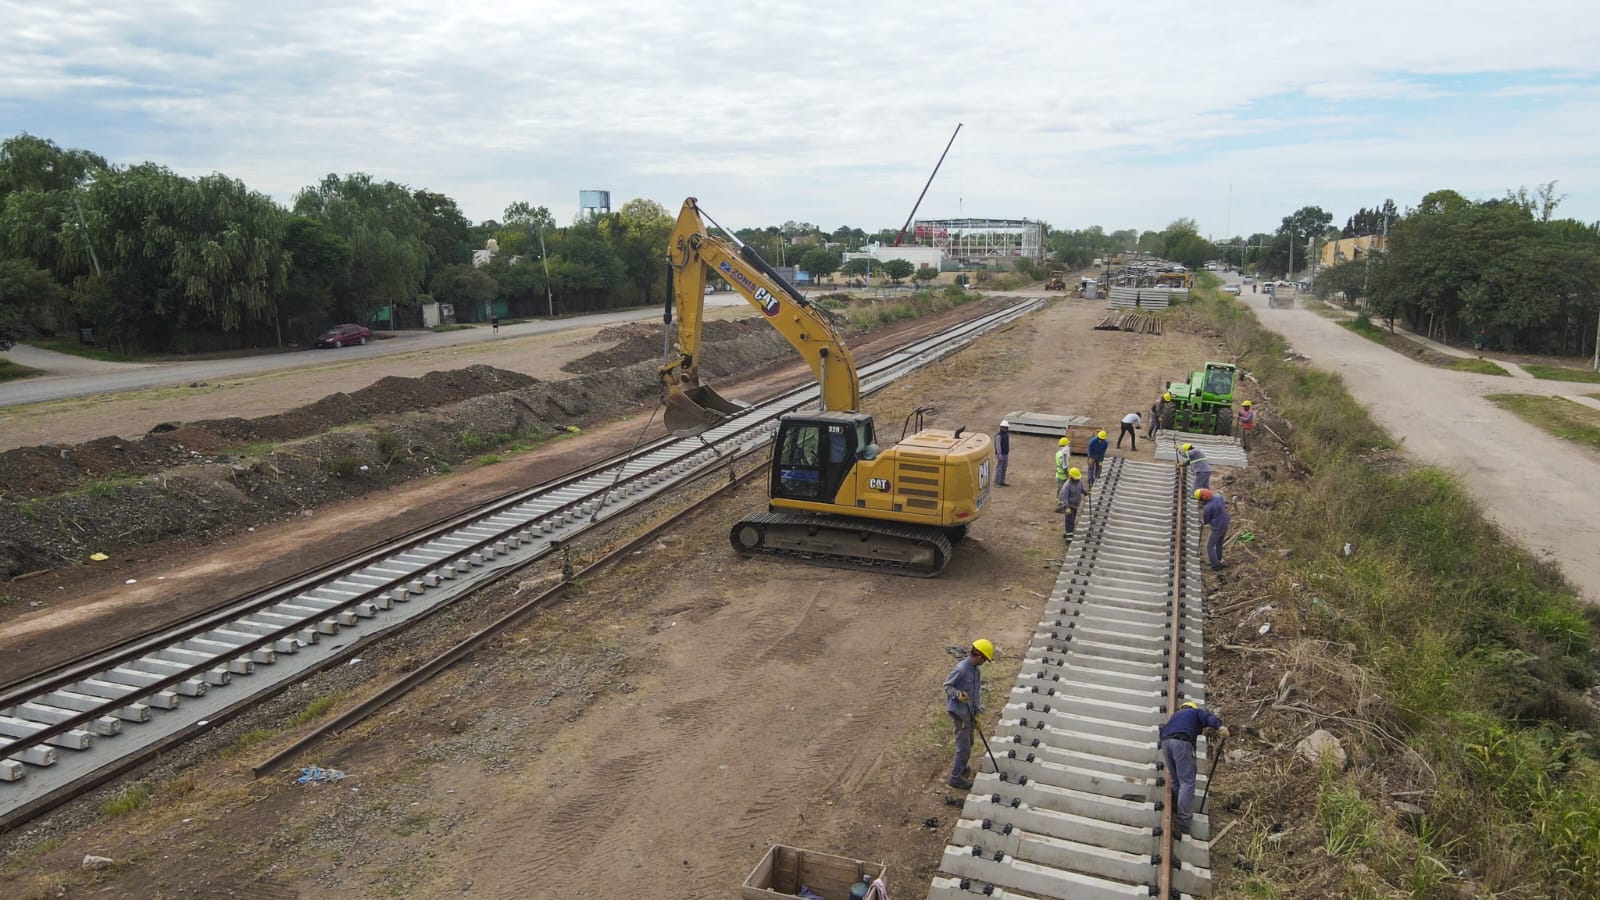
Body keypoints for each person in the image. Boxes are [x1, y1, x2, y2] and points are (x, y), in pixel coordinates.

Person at [1159, 700, 1228, 836]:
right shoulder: (1196, 712)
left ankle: (1176, 805)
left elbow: (1162, 730)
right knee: (1187, 782)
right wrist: (1220, 727)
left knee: (1177, 781)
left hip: (1166, 743)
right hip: (1182, 742)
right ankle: (1183, 822)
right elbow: (1208, 718)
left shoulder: (1175, 716)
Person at [943, 639, 995, 790]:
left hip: (970, 712)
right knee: (964, 746)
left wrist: (979, 711)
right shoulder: (961, 669)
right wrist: (958, 694)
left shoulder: (976, 671)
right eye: (984, 659)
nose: (984, 662)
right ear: (978, 656)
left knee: (969, 742)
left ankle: (962, 766)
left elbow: (976, 693)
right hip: (959, 713)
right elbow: (947, 686)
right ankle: (955, 778)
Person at [1196, 488, 1229, 570]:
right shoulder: (1218, 497)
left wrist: (1202, 521)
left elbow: (1206, 520)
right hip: (1225, 524)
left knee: (1209, 546)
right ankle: (1218, 560)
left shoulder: (1208, 507)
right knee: (1219, 544)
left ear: (1203, 498)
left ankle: (1215, 566)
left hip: (1217, 527)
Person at [1056, 467, 1085, 539]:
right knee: (1069, 521)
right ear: (1071, 477)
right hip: (1069, 506)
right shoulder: (1067, 485)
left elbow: (1082, 490)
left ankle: (1067, 533)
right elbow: (1064, 497)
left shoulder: (1079, 482)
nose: (1077, 479)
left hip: (1075, 506)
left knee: (1072, 520)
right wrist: (1067, 507)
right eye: (1076, 478)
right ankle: (1069, 538)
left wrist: (1086, 492)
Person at [994, 420, 1011, 487]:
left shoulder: (1006, 434)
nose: (1006, 429)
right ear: (1001, 427)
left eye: (1007, 428)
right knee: (999, 468)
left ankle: (1001, 481)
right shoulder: (998, 436)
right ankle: (996, 482)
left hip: (1006, 454)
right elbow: (998, 446)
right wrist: (999, 455)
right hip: (1000, 455)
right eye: (1005, 427)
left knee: (1004, 468)